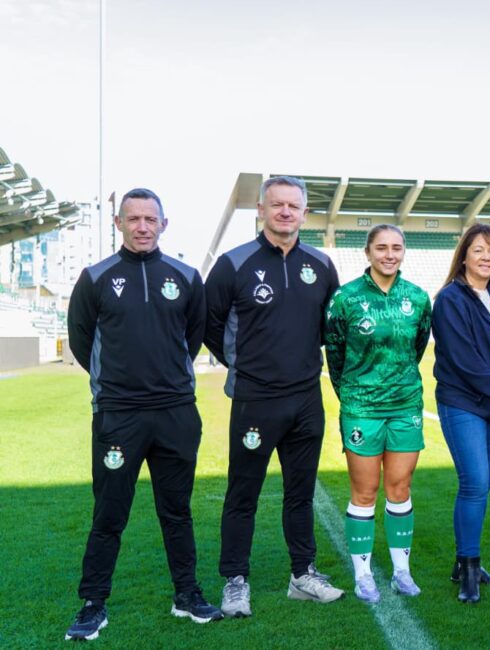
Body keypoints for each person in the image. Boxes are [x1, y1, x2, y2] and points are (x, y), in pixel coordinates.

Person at [65, 188, 222, 640]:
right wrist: (118, 383)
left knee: (177, 510)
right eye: (132, 219)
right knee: (110, 512)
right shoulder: (95, 277)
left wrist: (166, 377)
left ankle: (187, 595)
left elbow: (191, 338)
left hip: (175, 413)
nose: (142, 226)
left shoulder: (187, 276)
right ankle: (94, 604)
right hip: (119, 415)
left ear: (163, 224)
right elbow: (81, 341)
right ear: (118, 223)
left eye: (150, 219)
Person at [205, 175, 342, 617]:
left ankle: (303, 575)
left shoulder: (321, 265)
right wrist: (247, 367)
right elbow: (208, 324)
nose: (285, 212)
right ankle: (235, 581)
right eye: (276, 204)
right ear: (260, 211)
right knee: (242, 492)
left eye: (293, 205)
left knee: (300, 493)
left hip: (305, 399)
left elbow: (328, 328)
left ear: (305, 212)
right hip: (255, 400)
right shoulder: (233, 264)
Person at [324, 224, 432, 601]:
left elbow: (416, 348)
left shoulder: (417, 298)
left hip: (405, 407)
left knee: (400, 488)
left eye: (397, 248)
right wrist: (354, 394)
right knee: (365, 491)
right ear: (367, 252)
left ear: (404, 252)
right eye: (382, 248)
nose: (390, 254)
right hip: (361, 409)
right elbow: (334, 354)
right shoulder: (346, 298)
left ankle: (402, 572)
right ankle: (363, 574)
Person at [432, 224, 490, 603]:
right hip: (462, 403)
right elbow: (462, 358)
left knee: (482, 486)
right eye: (479, 250)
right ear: (464, 255)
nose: (486, 257)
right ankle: (470, 569)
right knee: (473, 483)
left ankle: (462, 560)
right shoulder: (451, 299)